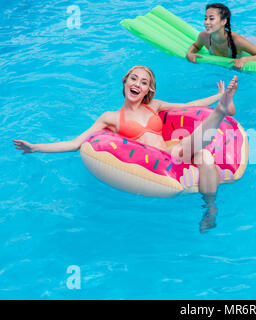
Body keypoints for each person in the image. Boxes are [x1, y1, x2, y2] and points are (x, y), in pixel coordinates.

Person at [13, 65, 239, 232]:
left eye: (143, 82)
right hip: (157, 161)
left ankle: (210, 210)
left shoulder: (154, 106)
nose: (137, 84)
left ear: (148, 89)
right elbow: (75, 143)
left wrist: (217, 96)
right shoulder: (111, 118)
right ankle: (220, 111)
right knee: (198, 151)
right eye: (134, 79)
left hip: (173, 150)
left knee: (205, 155)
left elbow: (187, 106)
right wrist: (35, 147)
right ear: (124, 82)